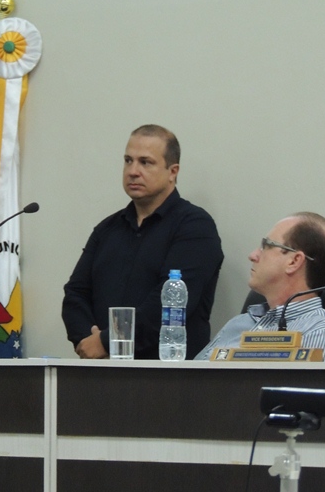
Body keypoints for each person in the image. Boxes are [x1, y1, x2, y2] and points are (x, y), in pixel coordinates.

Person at [62, 124, 224, 360]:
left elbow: (168, 306)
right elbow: (75, 294)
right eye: (128, 161)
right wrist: (89, 342)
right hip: (101, 370)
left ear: (173, 171)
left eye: (145, 162)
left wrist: (107, 342)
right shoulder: (107, 229)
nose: (133, 171)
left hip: (166, 372)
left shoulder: (195, 227)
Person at [195, 212, 325, 361]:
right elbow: (189, 375)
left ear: (294, 261)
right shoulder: (238, 323)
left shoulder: (321, 333)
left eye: (266, 245)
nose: (253, 255)